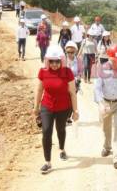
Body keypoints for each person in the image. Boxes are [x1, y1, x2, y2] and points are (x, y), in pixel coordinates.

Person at [33, 45, 79, 174]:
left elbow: (72, 93)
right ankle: (47, 162)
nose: (54, 64)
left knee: (60, 129)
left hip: (63, 107)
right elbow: (39, 90)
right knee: (46, 131)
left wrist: (75, 111)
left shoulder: (67, 72)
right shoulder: (43, 72)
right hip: (47, 106)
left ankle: (62, 149)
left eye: (57, 61)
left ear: (61, 60)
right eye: (51, 61)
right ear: (47, 61)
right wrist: (36, 107)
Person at [64, 41, 83, 125]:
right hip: (64, 83)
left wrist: (78, 78)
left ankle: (68, 117)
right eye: (68, 52)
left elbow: (80, 71)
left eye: (72, 52)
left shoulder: (78, 60)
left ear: (75, 51)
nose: (70, 54)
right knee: (65, 100)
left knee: (72, 100)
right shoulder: (63, 60)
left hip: (74, 83)